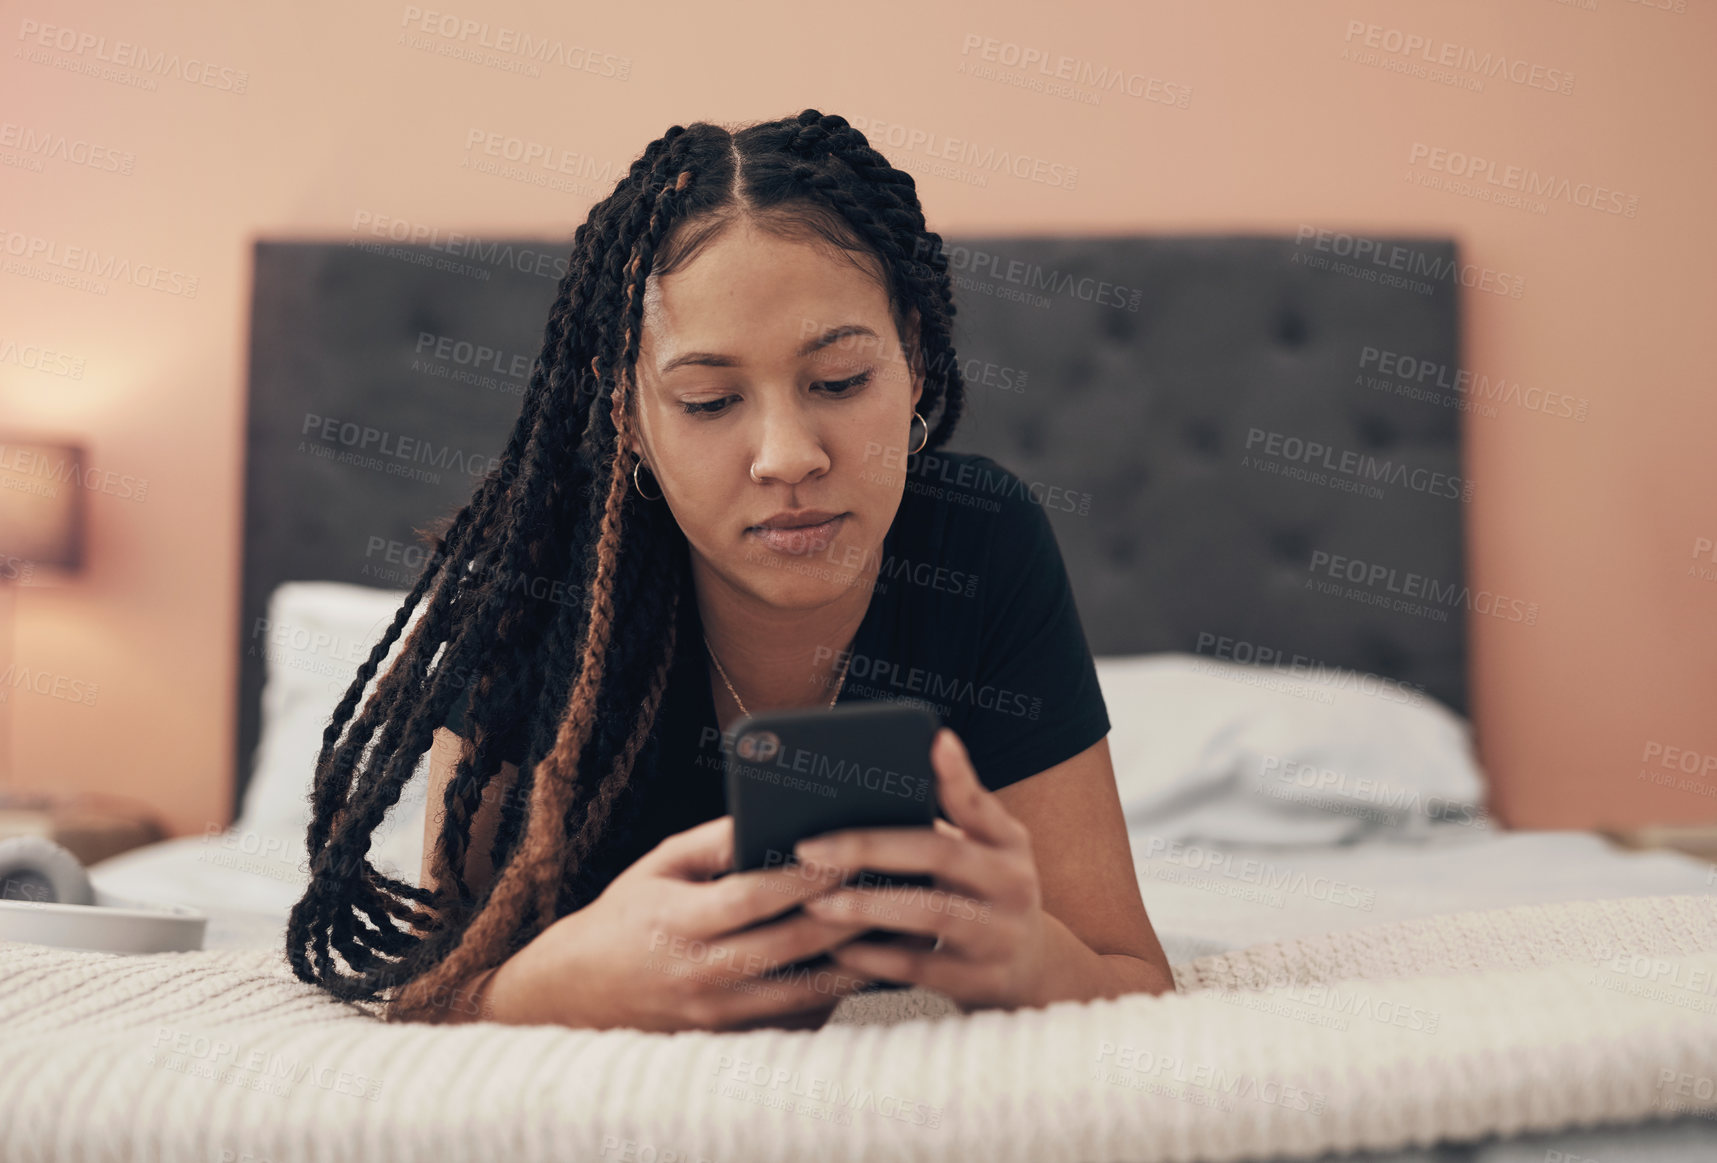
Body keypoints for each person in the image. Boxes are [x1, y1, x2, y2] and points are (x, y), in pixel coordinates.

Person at [285, 109, 1173, 1032]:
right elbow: (435, 986)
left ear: (910, 354)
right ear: (627, 404)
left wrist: (1030, 957)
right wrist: (560, 983)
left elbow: (1131, 975)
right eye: (708, 400)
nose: (787, 456)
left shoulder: (981, 543)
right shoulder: (542, 575)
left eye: (838, 382)